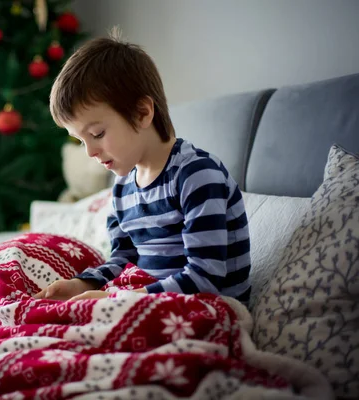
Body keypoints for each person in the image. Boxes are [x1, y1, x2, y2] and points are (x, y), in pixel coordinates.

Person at [34, 29, 251, 304]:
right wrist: (83, 284)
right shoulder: (123, 189)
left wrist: (118, 300)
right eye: (80, 140)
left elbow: (206, 278)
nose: (90, 151)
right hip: (147, 303)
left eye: (97, 133)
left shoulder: (196, 176)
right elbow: (124, 260)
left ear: (142, 113)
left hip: (210, 310)